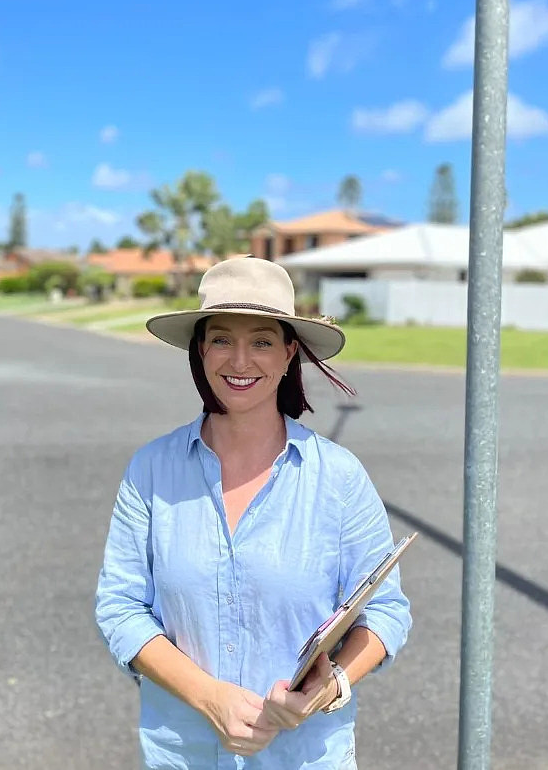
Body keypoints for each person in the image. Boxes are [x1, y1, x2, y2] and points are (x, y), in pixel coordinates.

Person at [95, 256, 412, 770]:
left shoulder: (339, 476)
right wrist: (208, 697)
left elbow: (386, 612)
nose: (240, 361)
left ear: (290, 353)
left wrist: (330, 686)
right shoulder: (150, 469)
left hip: (306, 756)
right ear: (200, 350)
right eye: (221, 339)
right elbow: (120, 608)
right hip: (183, 753)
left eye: (262, 341)